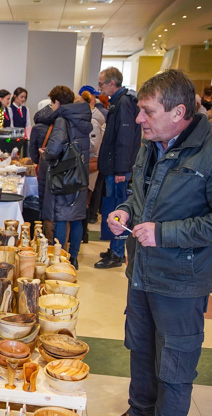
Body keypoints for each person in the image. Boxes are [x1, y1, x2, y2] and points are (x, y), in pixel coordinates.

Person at [97, 69, 212, 416]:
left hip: (183, 281)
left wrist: (165, 234)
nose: (138, 119)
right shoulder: (152, 144)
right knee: (141, 348)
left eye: (147, 111)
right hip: (143, 271)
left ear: (178, 111)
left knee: (175, 363)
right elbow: (138, 194)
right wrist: (126, 212)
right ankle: (140, 413)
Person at [94, 66, 141, 269]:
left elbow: (125, 139)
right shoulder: (120, 102)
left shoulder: (123, 104)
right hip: (115, 167)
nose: (100, 87)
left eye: (102, 83)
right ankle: (115, 248)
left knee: (118, 209)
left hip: (118, 170)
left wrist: (122, 170)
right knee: (114, 206)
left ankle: (117, 252)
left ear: (112, 83)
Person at [42, 87, 91, 268]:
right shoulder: (83, 117)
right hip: (80, 174)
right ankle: (74, 258)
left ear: (57, 102)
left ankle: (59, 259)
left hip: (64, 173)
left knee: (61, 216)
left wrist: (45, 154)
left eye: (52, 103)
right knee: (77, 217)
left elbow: (54, 149)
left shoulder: (62, 120)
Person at [80, 89, 106, 243]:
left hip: (90, 165)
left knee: (86, 201)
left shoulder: (93, 121)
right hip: (87, 164)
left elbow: (93, 145)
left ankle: (84, 234)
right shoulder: (91, 119)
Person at [28, 98, 55, 227]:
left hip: (43, 169)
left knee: (43, 201)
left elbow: (33, 155)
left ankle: (41, 230)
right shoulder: (62, 124)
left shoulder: (37, 128)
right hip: (60, 170)